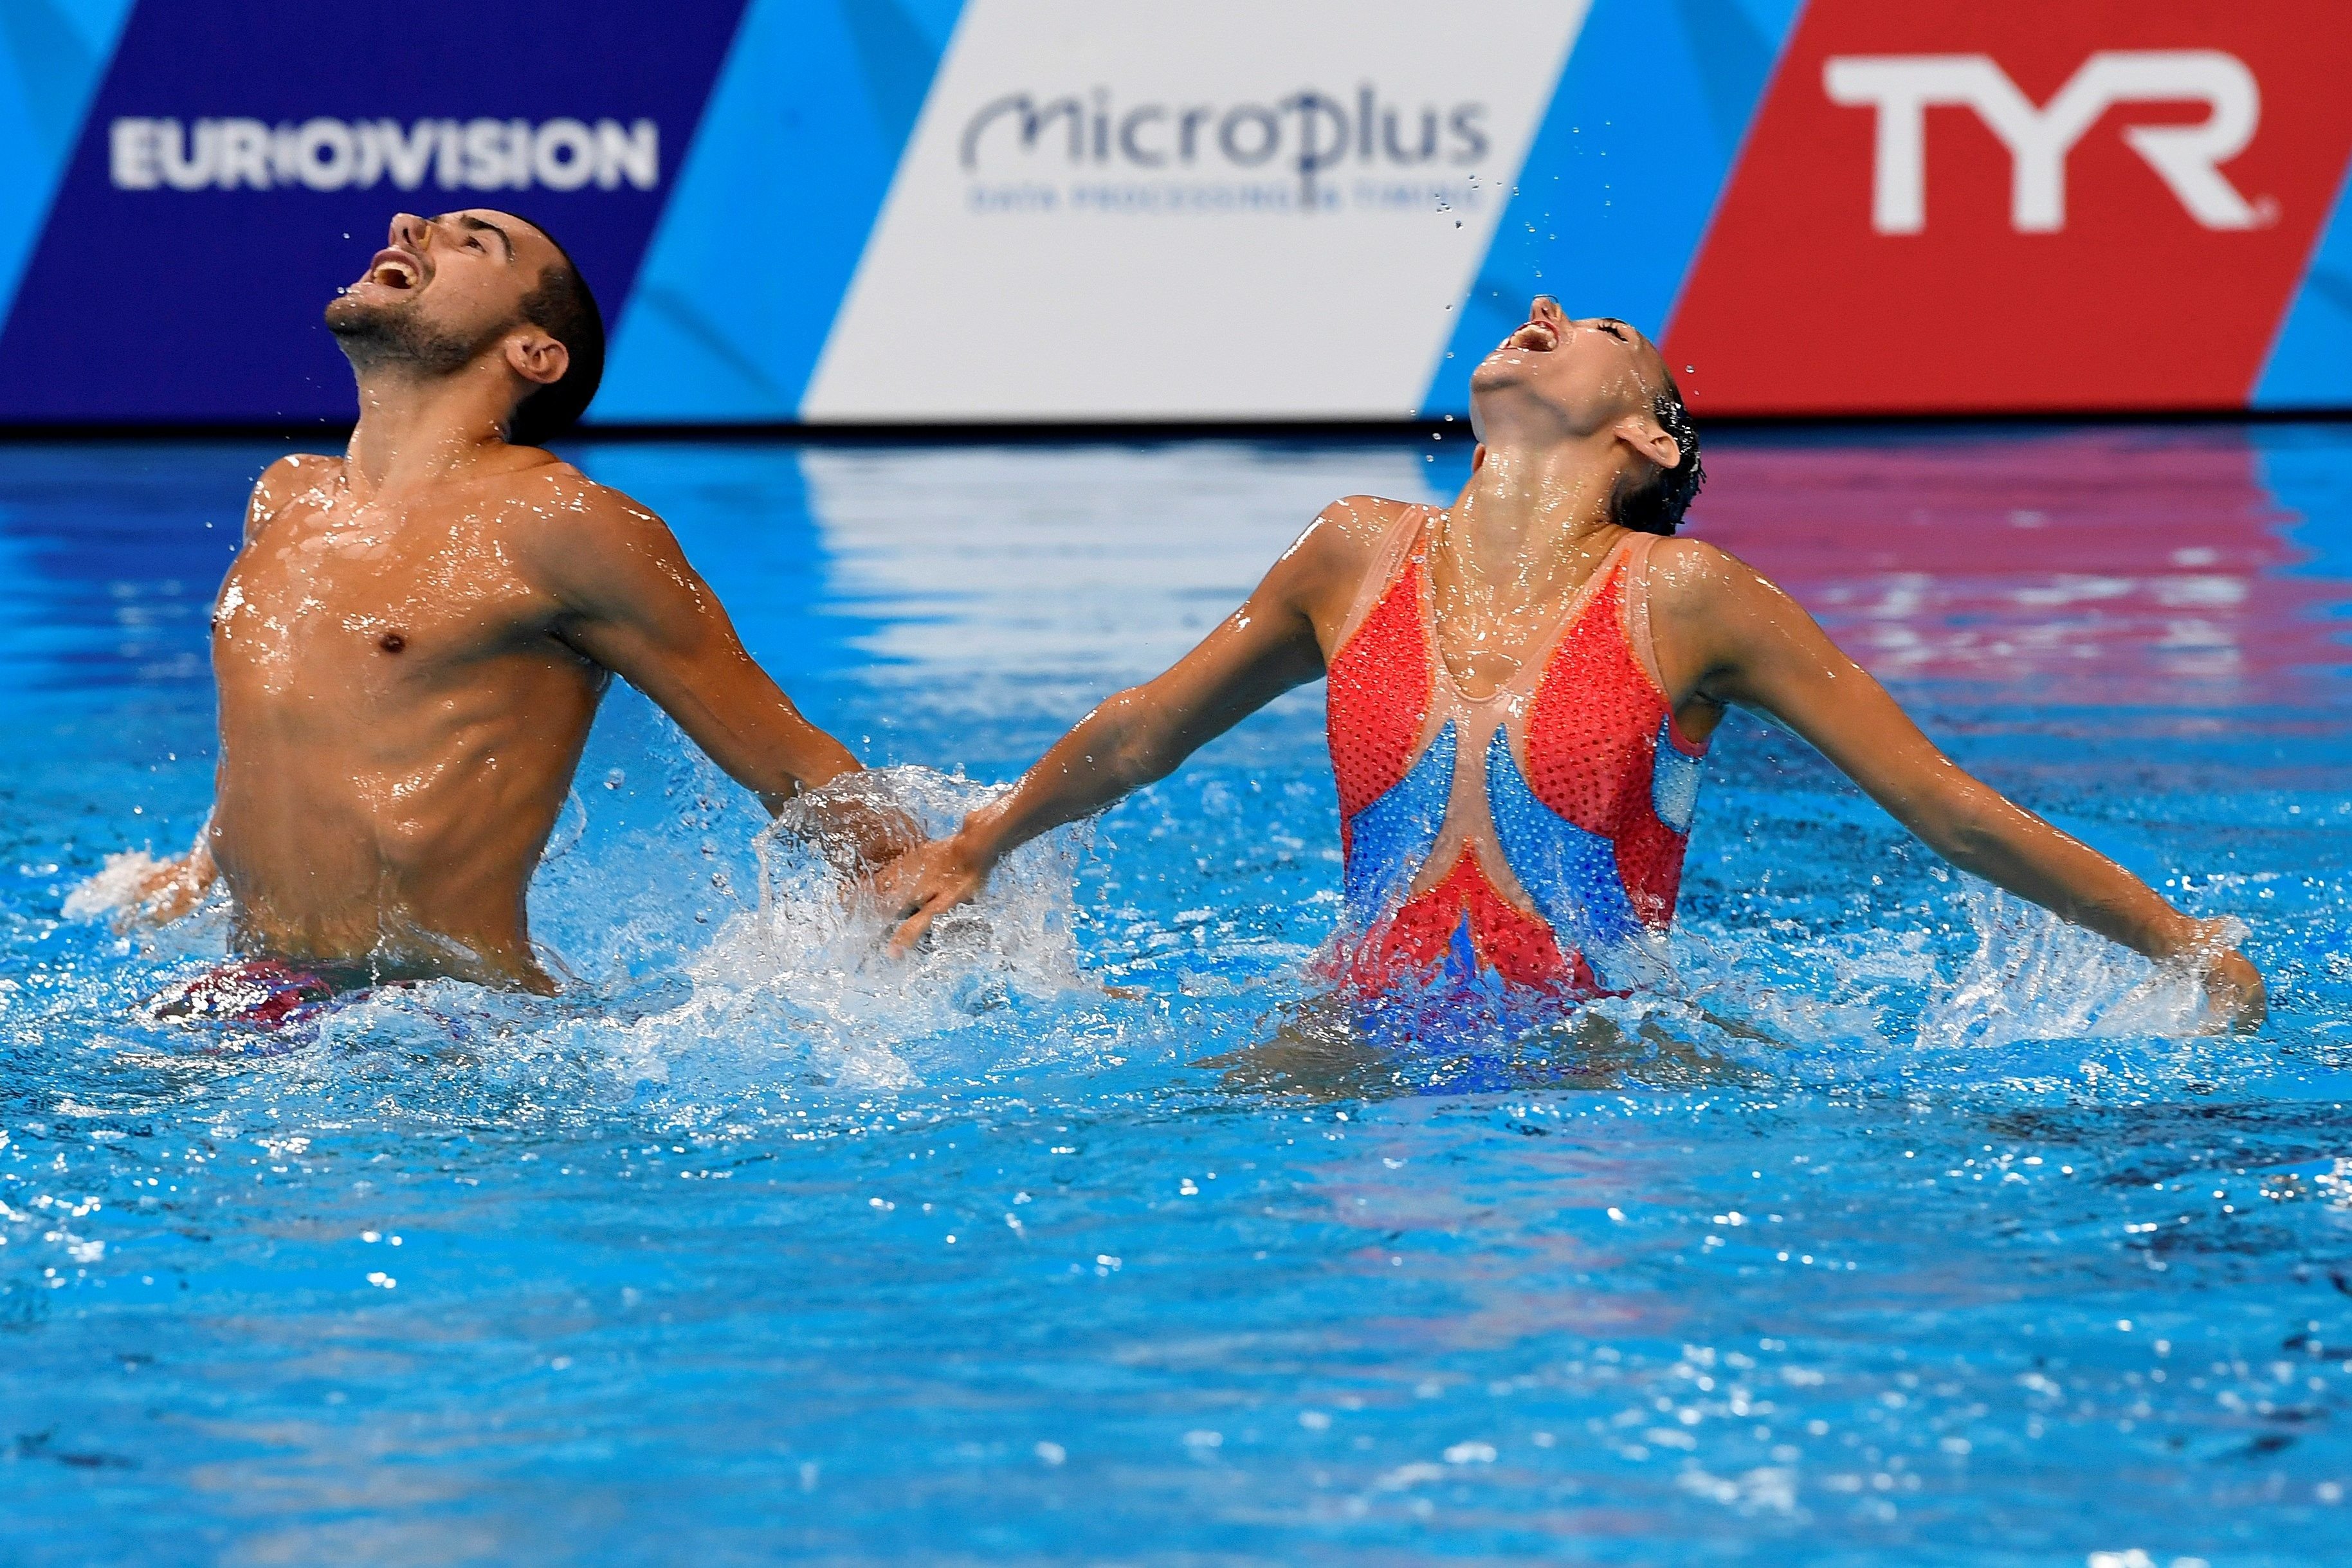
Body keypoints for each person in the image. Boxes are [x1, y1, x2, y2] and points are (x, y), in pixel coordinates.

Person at [876, 295, 2266, 1030]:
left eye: (1604, 331)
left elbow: (1942, 804)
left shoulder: (1689, 597)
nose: (1543, 306)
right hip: (1345, 1042)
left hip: (1612, 1070)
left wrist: (2182, 944)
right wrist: (977, 845)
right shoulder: (1350, 553)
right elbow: (1145, 732)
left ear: (1651, 438)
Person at [115, 210, 904, 1007]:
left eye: (472, 242)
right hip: (261, 992)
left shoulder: (562, 526)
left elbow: (791, 761)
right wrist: (201, 862)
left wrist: (932, 882)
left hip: (443, 1023)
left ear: (534, 353)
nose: (409, 225)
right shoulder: (286, 495)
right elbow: (291, 723)